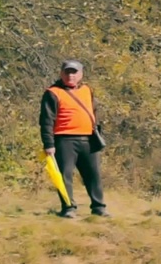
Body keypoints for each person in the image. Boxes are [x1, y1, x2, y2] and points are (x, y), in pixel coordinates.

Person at [39, 60, 109, 218]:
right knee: (65, 176)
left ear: (81, 74)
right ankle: (68, 208)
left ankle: (99, 207)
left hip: (88, 139)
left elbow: (94, 111)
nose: (70, 75)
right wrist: (49, 144)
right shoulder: (53, 92)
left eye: (74, 72)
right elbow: (46, 121)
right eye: (67, 72)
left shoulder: (87, 90)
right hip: (64, 140)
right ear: (61, 73)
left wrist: (96, 132)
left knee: (94, 175)